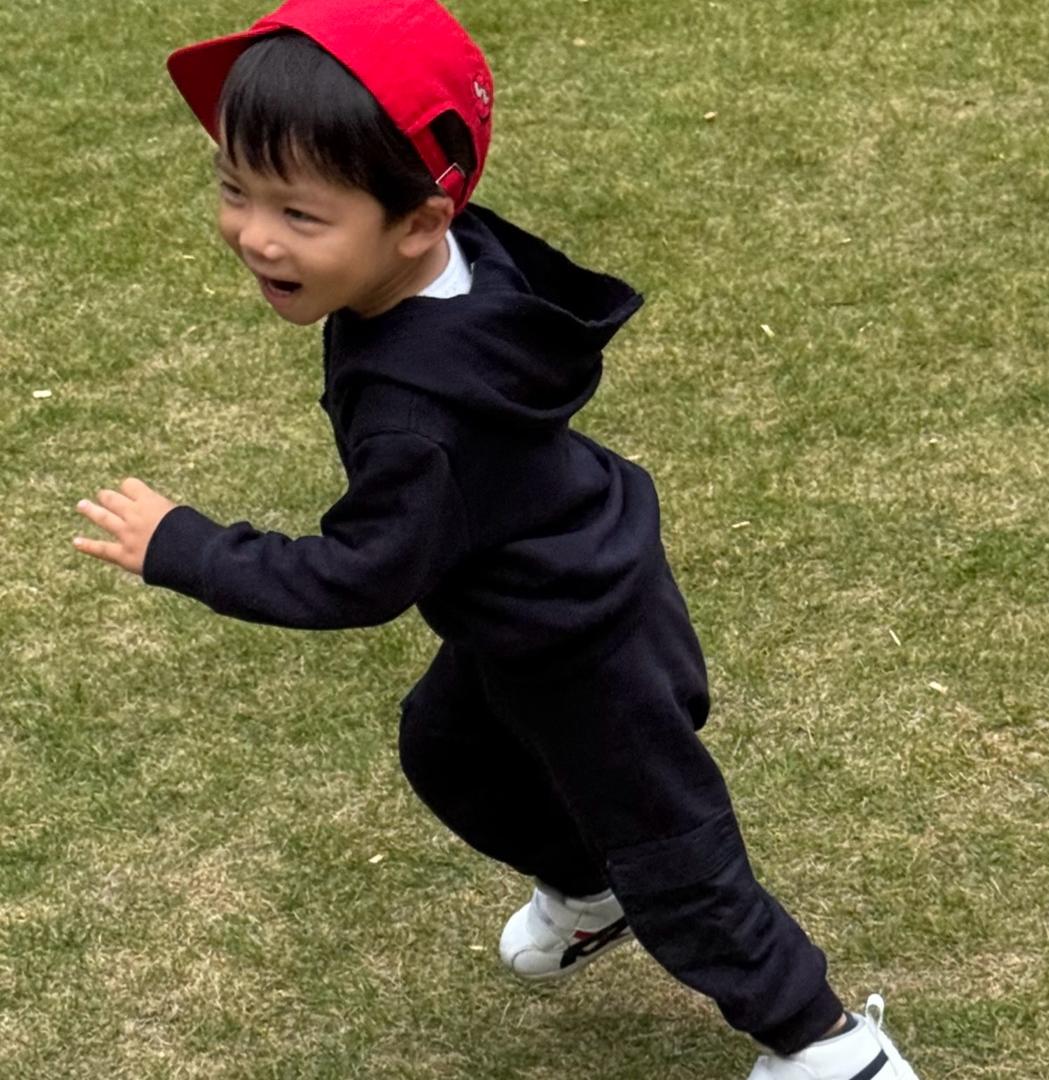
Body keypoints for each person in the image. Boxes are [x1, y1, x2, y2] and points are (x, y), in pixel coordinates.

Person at [73, 2, 920, 1077]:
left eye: (299, 211)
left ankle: (829, 1046)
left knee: (677, 861)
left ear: (418, 221)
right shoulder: (449, 261)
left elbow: (359, 574)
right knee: (449, 748)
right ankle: (593, 892)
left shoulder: (420, 418)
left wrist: (183, 547)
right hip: (527, 596)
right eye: (235, 189)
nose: (255, 235)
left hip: (586, 644)